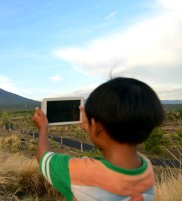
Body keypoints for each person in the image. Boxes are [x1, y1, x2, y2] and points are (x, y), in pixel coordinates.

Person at [32, 77, 165, 201]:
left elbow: (43, 157)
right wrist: (93, 128)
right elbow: (114, 148)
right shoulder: (146, 168)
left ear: (98, 126)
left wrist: (43, 128)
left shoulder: (80, 172)